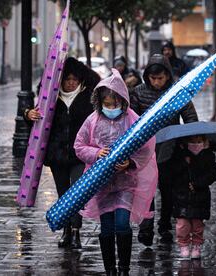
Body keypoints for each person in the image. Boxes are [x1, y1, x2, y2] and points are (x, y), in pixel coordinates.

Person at [74, 69, 158, 275]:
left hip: (126, 183)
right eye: (107, 104)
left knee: (122, 224)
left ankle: (124, 268)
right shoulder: (92, 121)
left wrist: (129, 163)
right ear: (100, 102)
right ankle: (110, 268)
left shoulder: (133, 120)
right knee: (107, 228)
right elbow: (79, 145)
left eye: (115, 104)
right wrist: (96, 153)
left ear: (123, 101)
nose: (111, 108)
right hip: (100, 184)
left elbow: (146, 146)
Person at [24, 57, 100, 249]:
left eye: (75, 79)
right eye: (67, 79)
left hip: (79, 156)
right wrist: (28, 114)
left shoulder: (88, 97)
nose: (71, 83)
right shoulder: (50, 98)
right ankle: (66, 230)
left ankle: (75, 232)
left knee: (76, 194)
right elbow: (35, 117)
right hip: (57, 156)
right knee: (63, 194)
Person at [130, 54, 199, 245]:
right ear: (147, 76)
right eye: (153, 78)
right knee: (146, 191)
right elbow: (131, 120)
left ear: (167, 75)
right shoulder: (138, 92)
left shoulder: (178, 92)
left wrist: (189, 145)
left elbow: (191, 118)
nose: (157, 82)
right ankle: (146, 229)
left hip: (172, 149)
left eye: (160, 78)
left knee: (168, 192)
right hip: (145, 150)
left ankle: (165, 225)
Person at [170, 135, 216, 259]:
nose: (195, 144)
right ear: (186, 142)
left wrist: (198, 184)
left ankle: (197, 245)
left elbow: (213, 174)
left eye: (199, 142)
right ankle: (184, 245)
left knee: (197, 224)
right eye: (192, 142)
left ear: (204, 142)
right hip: (182, 196)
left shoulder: (208, 156)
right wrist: (183, 164)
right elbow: (172, 173)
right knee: (182, 224)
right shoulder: (179, 155)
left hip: (200, 196)